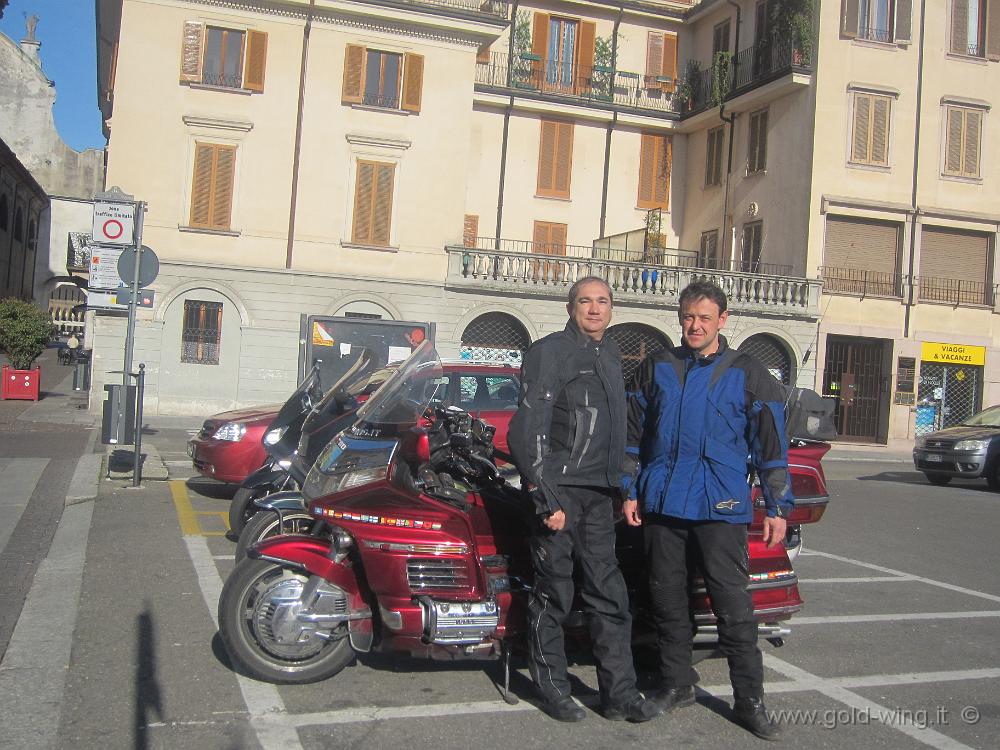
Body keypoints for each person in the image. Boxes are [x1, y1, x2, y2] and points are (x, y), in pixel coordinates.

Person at [624, 280, 793, 741]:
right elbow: (631, 436)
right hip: (663, 502)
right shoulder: (656, 366)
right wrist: (629, 488)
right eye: (687, 317)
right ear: (679, 319)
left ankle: (749, 700)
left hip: (721, 504)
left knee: (733, 605)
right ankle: (677, 684)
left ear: (723, 319)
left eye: (704, 317)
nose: (694, 325)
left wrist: (777, 504)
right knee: (666, 598)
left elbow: (771, 445)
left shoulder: (749, 372)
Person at [507, 276, 662, 724]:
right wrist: (544, 498)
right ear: (570, 306)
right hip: (560, 494)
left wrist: (622, 486)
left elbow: (619, 431)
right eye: (585, 301)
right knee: (554, 593)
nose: (595, 309)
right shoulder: (549, 351)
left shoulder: (611, 355)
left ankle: (621, 695)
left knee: (609, 596)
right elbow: (528, 429)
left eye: (603, 301)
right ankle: (552, 688)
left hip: (599, 497)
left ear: (612, 308)